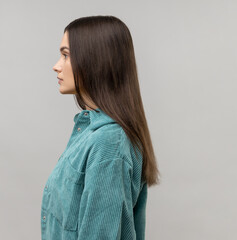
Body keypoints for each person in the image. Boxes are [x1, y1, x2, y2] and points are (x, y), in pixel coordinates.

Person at [41, 15, 160, 240]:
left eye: (66, 55)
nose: (56, 66)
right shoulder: (90, 133)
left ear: (94, 60)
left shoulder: (108, 143)